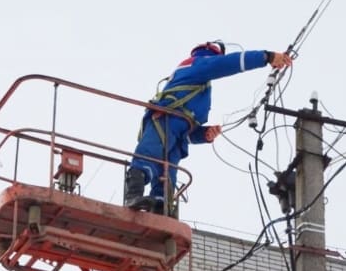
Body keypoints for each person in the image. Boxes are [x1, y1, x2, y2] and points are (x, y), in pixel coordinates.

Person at [125, 41, 292, 214]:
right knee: (149, 155)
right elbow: (227, 64)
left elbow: (189, 131)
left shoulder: (201, 85)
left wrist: (204, 134)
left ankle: (161, 207)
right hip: (165, 119)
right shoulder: (197, 63)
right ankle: (134, 194)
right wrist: (267, 57)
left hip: (177, 130)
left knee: (167, 174)